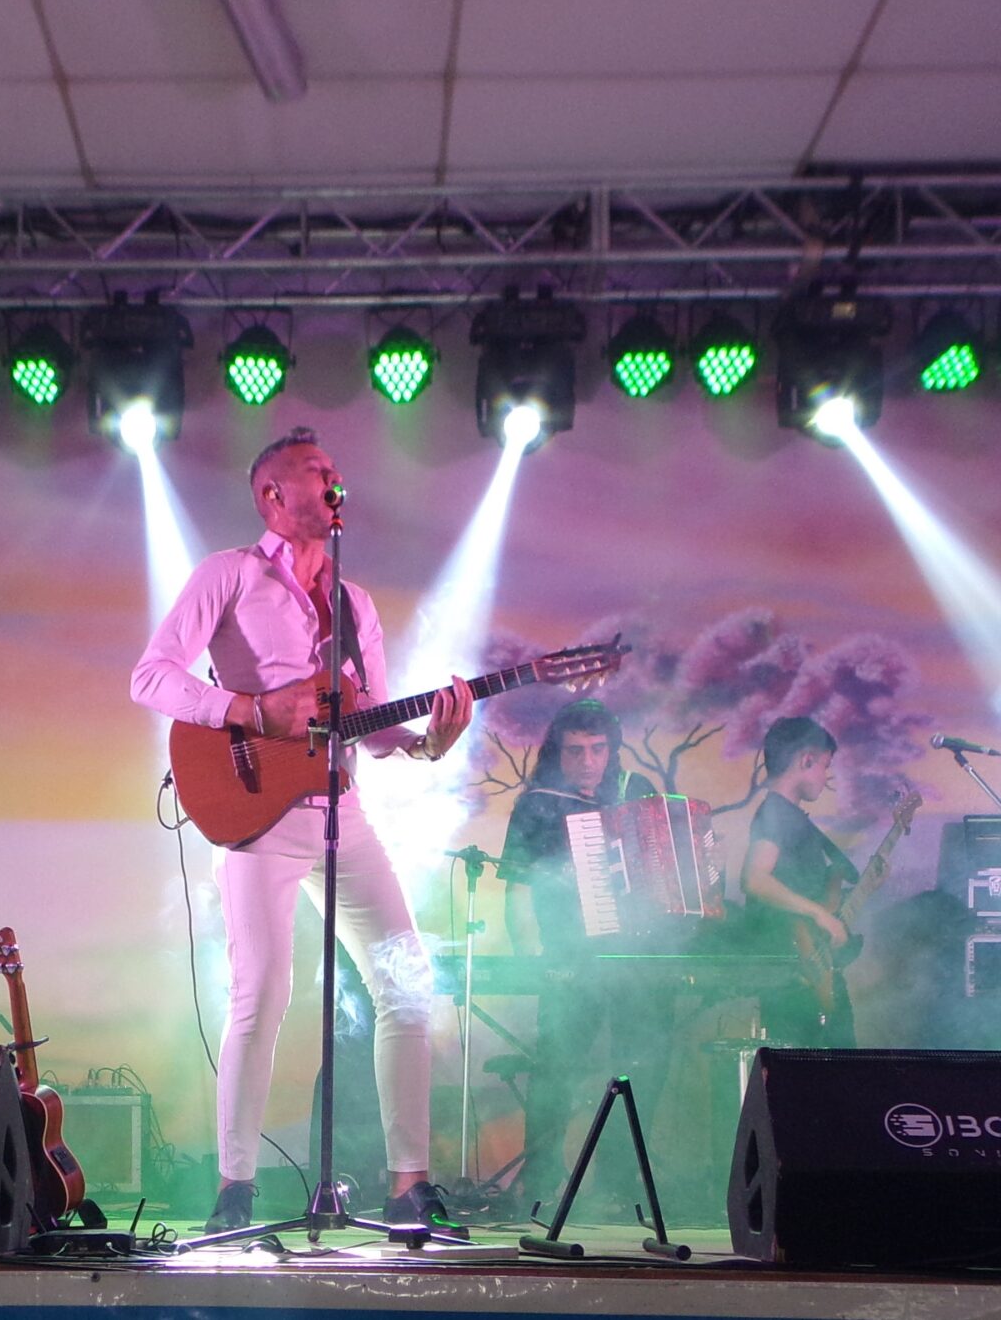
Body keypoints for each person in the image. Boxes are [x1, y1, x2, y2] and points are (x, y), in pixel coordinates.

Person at [130, 430, 474, 1234]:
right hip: (257, 814)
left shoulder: (355, 603)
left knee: (406, 981)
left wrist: (429, 742)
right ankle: (235, 1189)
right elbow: (151, 676)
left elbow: (373, 724)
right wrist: (250, 710)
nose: (334, 480)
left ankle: (409, 1185)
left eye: (336, 471)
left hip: (341, 810)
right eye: (318, 472)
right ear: (272, 496)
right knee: (261, 994)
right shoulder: (229, 575)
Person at [497, 698, 662, 1209]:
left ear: (612, 750)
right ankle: (541, 1182)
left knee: (643, 1065)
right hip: (568, 957)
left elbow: (666, 867)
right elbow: (517, 888)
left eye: (597, 749)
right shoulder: (539, 804)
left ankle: (619, 1183)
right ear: (557, 753)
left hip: (639, 957)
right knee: (556, 1068)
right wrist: (532, 958)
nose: (588, 761)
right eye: (575, 751)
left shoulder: (636, 793)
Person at [738, 716, 861, 1049]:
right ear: (806, 760)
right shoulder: (776, 812)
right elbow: (755, 879)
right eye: (824, 766)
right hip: (792, 973)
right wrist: (819, 915)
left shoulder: (788, 815)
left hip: (804, 967)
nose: (826, 777)